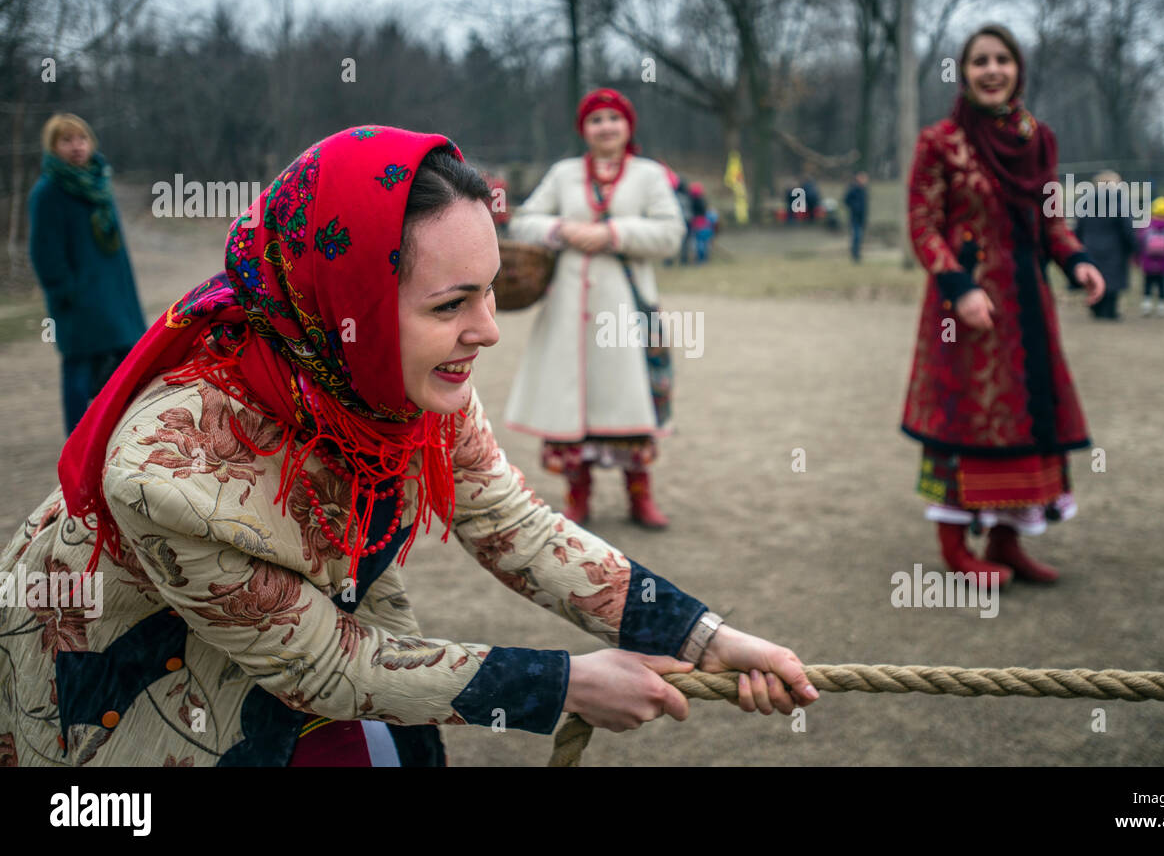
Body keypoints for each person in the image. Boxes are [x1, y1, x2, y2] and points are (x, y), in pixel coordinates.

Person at [0, 125, 817, 767]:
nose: (489, 330)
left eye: (491, 289)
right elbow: (320, 664)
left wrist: (700, 634)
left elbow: (516, 526)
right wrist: (560, 684)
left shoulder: (397, 379)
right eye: (452, 302)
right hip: (120, 705)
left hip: (281, 676)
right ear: (348, 299)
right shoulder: (169, 472)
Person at [900, 23, 1105, 586]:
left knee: (1031, 420)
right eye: (979, 61)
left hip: (1027, 305)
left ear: (1018, 69)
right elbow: (923, 225)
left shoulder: (1038, 139)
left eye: (1002, 60)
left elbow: (1051, 219)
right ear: (964, 74)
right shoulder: (940, 141)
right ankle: (955, 549)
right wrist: (959, 287)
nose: (991, 70)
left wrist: (1076, 259)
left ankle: (1007, 540)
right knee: (964, 419)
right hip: (963, 309)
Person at [504, 88, 683, 530]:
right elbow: (524, 220)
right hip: (567, 309)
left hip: (625, 308)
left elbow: (670, 233)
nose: (605, 126)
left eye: (613, 118)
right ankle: (577, 496)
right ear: (584, 129)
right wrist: (563, 228)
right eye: (596, 119)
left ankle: (639, 495)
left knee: (630, 397)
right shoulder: (564, 175)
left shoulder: (649, 175)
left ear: (628, 126)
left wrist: (613, 234)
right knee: (572, 399)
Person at [28, 113, 147, 435]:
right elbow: (44, 252)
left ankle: (121, 438)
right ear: (53, 147)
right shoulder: (48, 192)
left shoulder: (99, 184)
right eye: (66, 141)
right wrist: (67, 292)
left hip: (114, 299)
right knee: (80, 374)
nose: (76, 147)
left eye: (81, 139)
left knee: (128, 370)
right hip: (78, 302)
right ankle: (78, 444)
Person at [1073, 170, 1136, 320]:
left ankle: (1096, 307)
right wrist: (1133, 246)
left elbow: (1079, 227)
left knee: (1095, 277)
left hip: (1090, 246)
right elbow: (1127, 228)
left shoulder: (1085, 202)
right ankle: (1110, 311)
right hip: (1114, 248)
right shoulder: (1119, 202)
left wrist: (1078, 245)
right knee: (1112, 280)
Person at [1135, 196, 1164, 317]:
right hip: (1163, 262)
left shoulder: (1146, 224)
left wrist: (1136, 259)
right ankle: (1162, 306)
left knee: (1148, 283)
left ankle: (1146, 305)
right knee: (1162, 284)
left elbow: (1139, 242)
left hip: (1147, 261)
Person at [844, 172, 870, 262]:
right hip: (855, 216)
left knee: (860, 236)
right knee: (856, 236)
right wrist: (854, 207)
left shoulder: (864, 190)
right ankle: (855, 254)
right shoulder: (853, 189)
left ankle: (857, 253)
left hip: (862, 217)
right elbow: (846, 200)